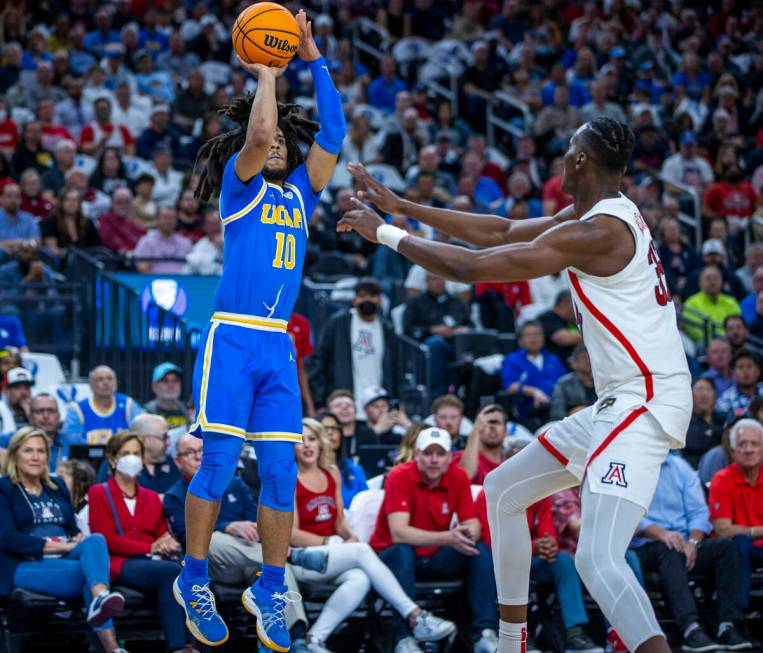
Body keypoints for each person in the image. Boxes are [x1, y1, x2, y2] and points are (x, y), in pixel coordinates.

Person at [341, 117, 692, 653]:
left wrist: (385, 233)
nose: (560, 161)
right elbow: (500, 231)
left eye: (567, 151)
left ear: (580, 162)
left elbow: (478, 267)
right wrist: (404, 206)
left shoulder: (598, 232)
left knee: (598, 558)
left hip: (644, 399)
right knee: (504, 491)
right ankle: (512, 643)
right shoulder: (593, 215)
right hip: (620, 400)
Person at [175, 12, 347, 651]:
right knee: (217, 463)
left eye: (280, 144)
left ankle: (270, 589)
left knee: (280, 473)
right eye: (265, 140)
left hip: (277, 342)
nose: (274, 144)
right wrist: (268, 74)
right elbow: (264, 127)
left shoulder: (303, 190)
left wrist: (314, 56)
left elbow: (336, 130)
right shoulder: (238, 185)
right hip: (233, 338)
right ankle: (193, 578)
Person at [294, 420, 456, 653]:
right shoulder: (289, 477)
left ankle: (313, 640)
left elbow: (339, 521)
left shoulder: (331, 472)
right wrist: (329, 542)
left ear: (321, 443)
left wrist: (349, 535)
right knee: (361, 551)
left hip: (335, 553)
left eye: (312, 439)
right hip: (302, 558)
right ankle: (416, 616)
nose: (307, 445)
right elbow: (290, 533)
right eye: (301, 441)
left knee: (360, 578)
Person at [164, 433, 317, 653]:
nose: (198, 456)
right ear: (177, 460)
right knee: (215, 538)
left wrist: (250, 530)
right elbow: (185, 534)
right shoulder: (174, 494)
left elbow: (256, 518)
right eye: (190, 452)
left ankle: (296, 638)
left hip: (247, 558)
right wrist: (229, 526)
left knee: (276, 567)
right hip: (215, 563)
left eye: (201, 450)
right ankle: (292, 554)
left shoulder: (235, 483)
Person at [370, 427, 498, 653]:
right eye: (428, 453)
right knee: (402, 550)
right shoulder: (399, 475)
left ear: (450, 457)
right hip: (390, 559)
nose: (434, 460)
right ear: (417, 453)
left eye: (440, 454)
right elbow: (399, 533)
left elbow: (473, 524)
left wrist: (466, 535)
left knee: (478, 548)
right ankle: (404, 637)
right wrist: (449, 537)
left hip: (435, 557)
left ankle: (485, 633)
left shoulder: (457, 476)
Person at [0, 427, 128, 653]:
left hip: (65, 555)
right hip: (24, 564)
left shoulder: (57, 485)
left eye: (41, 451)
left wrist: (75, 536)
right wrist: (64, 545)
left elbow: (70, 526)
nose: (35, 457)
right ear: (15, 454)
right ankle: (112, 647)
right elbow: (7, 538)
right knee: (88, 574)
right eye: (28, 450)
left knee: (95, 540)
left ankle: (100, 597)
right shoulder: (4, 488)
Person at [631, 452, 752, 651]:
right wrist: (663, 534)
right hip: (646, 544)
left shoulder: (681, 468)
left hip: (685, 542)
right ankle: (690, 628)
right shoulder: (630, 467)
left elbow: (699, 513)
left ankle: (728, 624)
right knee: (669, 549)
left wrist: (693, 543)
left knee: (726, 547)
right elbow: (629, 514)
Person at [88, 431, 193, 653]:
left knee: (190, 572)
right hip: (118, 562)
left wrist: (167, 543)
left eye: (136, 453)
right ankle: (180, 646)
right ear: (112, 459)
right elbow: (105, 540)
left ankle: (198, 645)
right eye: (126, 453)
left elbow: (162, 534)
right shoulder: (99, 492)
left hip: (150, 562)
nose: (132, 458)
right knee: (170, 572)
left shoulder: (150, 496)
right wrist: (150, 547)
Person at [474, 490, 602, 653]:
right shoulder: (490, 494)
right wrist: (534, 546)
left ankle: (575, 634)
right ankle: (519, 637)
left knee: (563, 561)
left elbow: (548, 535)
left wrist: (549, 546)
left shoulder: (540, 494)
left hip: (529, 558)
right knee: (508, 564)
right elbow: (491, 543)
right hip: (498, 563)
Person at [313, 277, 399, 411]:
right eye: (362, 296)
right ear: (354, 299)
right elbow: (319, 360)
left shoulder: (387, 327)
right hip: (344, 403)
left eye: (372, 296)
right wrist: (319, 400)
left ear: (380, 300)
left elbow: (396, 367)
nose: (367, 300)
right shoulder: (338, 323)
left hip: (378, 405)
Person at [708, 418, 763, 613]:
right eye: (742, 444)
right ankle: (736, 617)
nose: (749, 449)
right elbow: (723, 529)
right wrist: (758, 531)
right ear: (733, 450)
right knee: (738, 543)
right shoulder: (721, 479)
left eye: (755, 444)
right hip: (736, 550)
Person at [403, 272, 471, 398]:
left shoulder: (456, 302)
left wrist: (461, 330)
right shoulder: (416, 302)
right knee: (436, 343)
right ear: (426, 282)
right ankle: (436, 395)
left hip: (456, 346)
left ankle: (471, 399)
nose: (437, 282)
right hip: (424, 349)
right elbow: (408, 330)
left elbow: (469, 324)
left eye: (440, 278)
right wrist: (433, 330)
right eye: (433, 279)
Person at [501, 321, 566, 426]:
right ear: (520, 340)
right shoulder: (512, 359)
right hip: (531, 409)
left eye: (537, 334)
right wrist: (533, 391)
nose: (534, 338)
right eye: (529, 335)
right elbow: (510, 386)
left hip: (558, 406)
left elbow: (564, 382)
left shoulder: (552, 359)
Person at [63, 365, 143, 446]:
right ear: (91, 385)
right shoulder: (77, 410)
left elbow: (141, 437)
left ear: (116, 383)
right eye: (100, 379)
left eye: (110, 378)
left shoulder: (129, 406)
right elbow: (72, 443)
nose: (106, 382)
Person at [316, 410, 368, 508]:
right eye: (324, 428)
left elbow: (365, 507)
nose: (330, 432)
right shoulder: (305, 473)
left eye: (334, 428)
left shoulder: (355, 470)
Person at [454, 404, 511, 484]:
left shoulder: (512, 462)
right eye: (486, 422)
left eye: (496, 422)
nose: (492, 426)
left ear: (505, 432)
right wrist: (476, 431)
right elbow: (465, 477)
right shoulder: (461, 457)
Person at [683, 265, 741, 342]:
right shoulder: (691, 303)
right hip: (705, 345)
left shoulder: (732, 302)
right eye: (708, 278)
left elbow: (739, 326)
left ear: (722, 282)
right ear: (700, 282)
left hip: (731, 343)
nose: (712, 281)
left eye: (715, 278)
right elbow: (693, 329)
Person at [134, 206, 193, 274]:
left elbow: (192, 267)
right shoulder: (146, 241)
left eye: (171, 218)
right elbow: (142, 266)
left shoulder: (186, 243)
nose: (168, 221)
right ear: (157, 219)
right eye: (165, 217)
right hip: (153, 282)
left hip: (182, 282)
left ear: (176, 221)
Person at [683, 378, 724, 469]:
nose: (704, 394)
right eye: (699, 389)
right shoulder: (685, 419)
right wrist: (716, 434)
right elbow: (694, 444)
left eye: (708, 390)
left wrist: (710, 432)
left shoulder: (723, 419)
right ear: (690, 394)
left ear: (715, 395)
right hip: (693, 468)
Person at [143, 362, 188, 444]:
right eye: (165, 381)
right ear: (154, 386)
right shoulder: (145, 413)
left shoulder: (189, 410)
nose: (171, 385)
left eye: (175, 381)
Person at [550, 344, 597, 420]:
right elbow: (556, 413)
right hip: (572, 423)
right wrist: (572, 414)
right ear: (574, 363)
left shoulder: (602, 381)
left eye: (590, 358)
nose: (588, 361)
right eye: (584, 358)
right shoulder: (563, 383)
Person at [537, 290, 582, 364]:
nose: (577, 310)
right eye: (576, 306)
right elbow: (565, 339)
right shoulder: (547, 318)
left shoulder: (569, 321)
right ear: (566, 303)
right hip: (552, 366)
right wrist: (589, 337)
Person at [715, 350, 763, 418]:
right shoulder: (726, 399)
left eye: (749, 367)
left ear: (758, 371)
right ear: (733, 374)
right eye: (741, 367)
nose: (745, 371)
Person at [28, 392, 66, 471]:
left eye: (51, 411)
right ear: (30, 417)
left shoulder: (74, 442)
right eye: (40, 411)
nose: (46, 416)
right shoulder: (15, 440)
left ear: (58, 417)